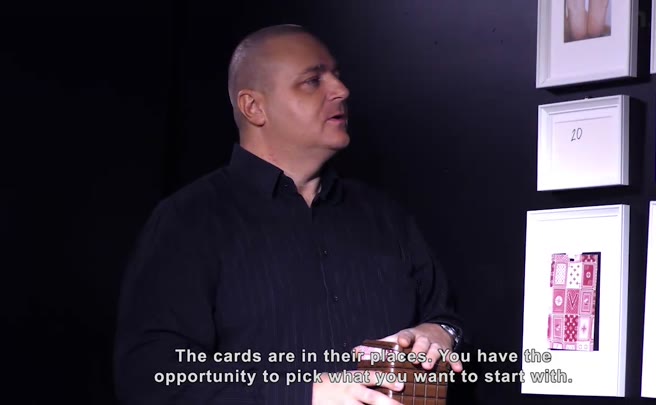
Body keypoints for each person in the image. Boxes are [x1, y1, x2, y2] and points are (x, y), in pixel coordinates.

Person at [114, 24, 464, 405]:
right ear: (254, 107)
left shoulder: (386, 216)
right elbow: (151, 377)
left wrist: (441, 333)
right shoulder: (187, 221)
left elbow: (445, 318)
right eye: (313, 81)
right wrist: (305, 396)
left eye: (337, 75)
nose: (341, 90)